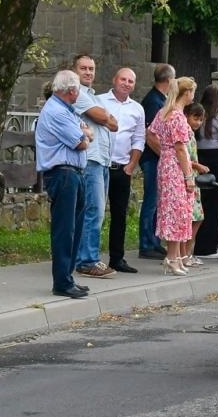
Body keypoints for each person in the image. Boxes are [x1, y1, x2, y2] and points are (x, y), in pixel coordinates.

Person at [37, 69, 92, 299]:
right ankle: (61, 281)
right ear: (71, 91)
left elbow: (89, 133)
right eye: (78, 89)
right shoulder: (56, 112)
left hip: (74, 173)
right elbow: (82, 142)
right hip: (63, 174)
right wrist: (84, 135)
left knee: (75, 228)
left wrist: (85, 134)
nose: (79, 93)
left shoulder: (67, 110)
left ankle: (67, 277)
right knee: (64, 230)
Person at [72, 54, 120, 281]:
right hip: (90, 159)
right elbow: (101, 116)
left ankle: (87, 256)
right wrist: (103, 116)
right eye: (84, 68)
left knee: (96, 212)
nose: (89, 72)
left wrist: (104, 116)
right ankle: (87, 260)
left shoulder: (92, 96)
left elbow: (113, 124)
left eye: (91, 68)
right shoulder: (77, 94)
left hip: (102, 159)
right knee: (94, 211)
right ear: (74, 71)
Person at [149, 76, 199, 275]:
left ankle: (176, 256)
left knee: (174, 208)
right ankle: (171, 257)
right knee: (177, 210)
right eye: (192, 92)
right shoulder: (177, 116)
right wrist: (188, 176)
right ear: (186, 93)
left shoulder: (164, 112)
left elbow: (151, 133)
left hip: (166, 164)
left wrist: (163, 151)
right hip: (176, 166)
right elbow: (180, 148)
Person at [103, 68, 146, 274]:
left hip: (122, 168)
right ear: (114, 80)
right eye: (123, 79)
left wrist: (132, 165)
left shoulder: (137, 109)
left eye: (131, 81)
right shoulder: (99, 101)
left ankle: (117, 258)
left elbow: (139, 139)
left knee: (119, 215)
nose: (126, 83)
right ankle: (87, 257)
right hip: (100, 166)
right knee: (93, 213)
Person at [136, 64, 175, 261]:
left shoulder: (160, 99)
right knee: (151, 201)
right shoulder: (154, 101)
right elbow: (150, 135)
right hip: (152, 159)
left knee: (157, 201)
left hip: (157, 158)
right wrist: (166, 154)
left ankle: (153, 241)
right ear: (168, 80)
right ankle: (146, 243)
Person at [193, 83, 218, 260]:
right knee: (215, 205)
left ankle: (196, 244)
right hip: (215, 160)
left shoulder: (198, 115)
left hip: (199, 158)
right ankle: (208, 247)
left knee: (201, 203)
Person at [182, 101, 215, 266]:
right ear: (186, 115)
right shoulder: (185, 133)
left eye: (201, 119)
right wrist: (198, 166)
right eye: (195, 118)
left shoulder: (191, 133)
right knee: (191, 217)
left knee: (197, 217)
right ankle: (185, 254)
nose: (198, 122)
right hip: (188, 177)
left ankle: (188, 253)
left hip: (193, 178)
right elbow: (184, 157)